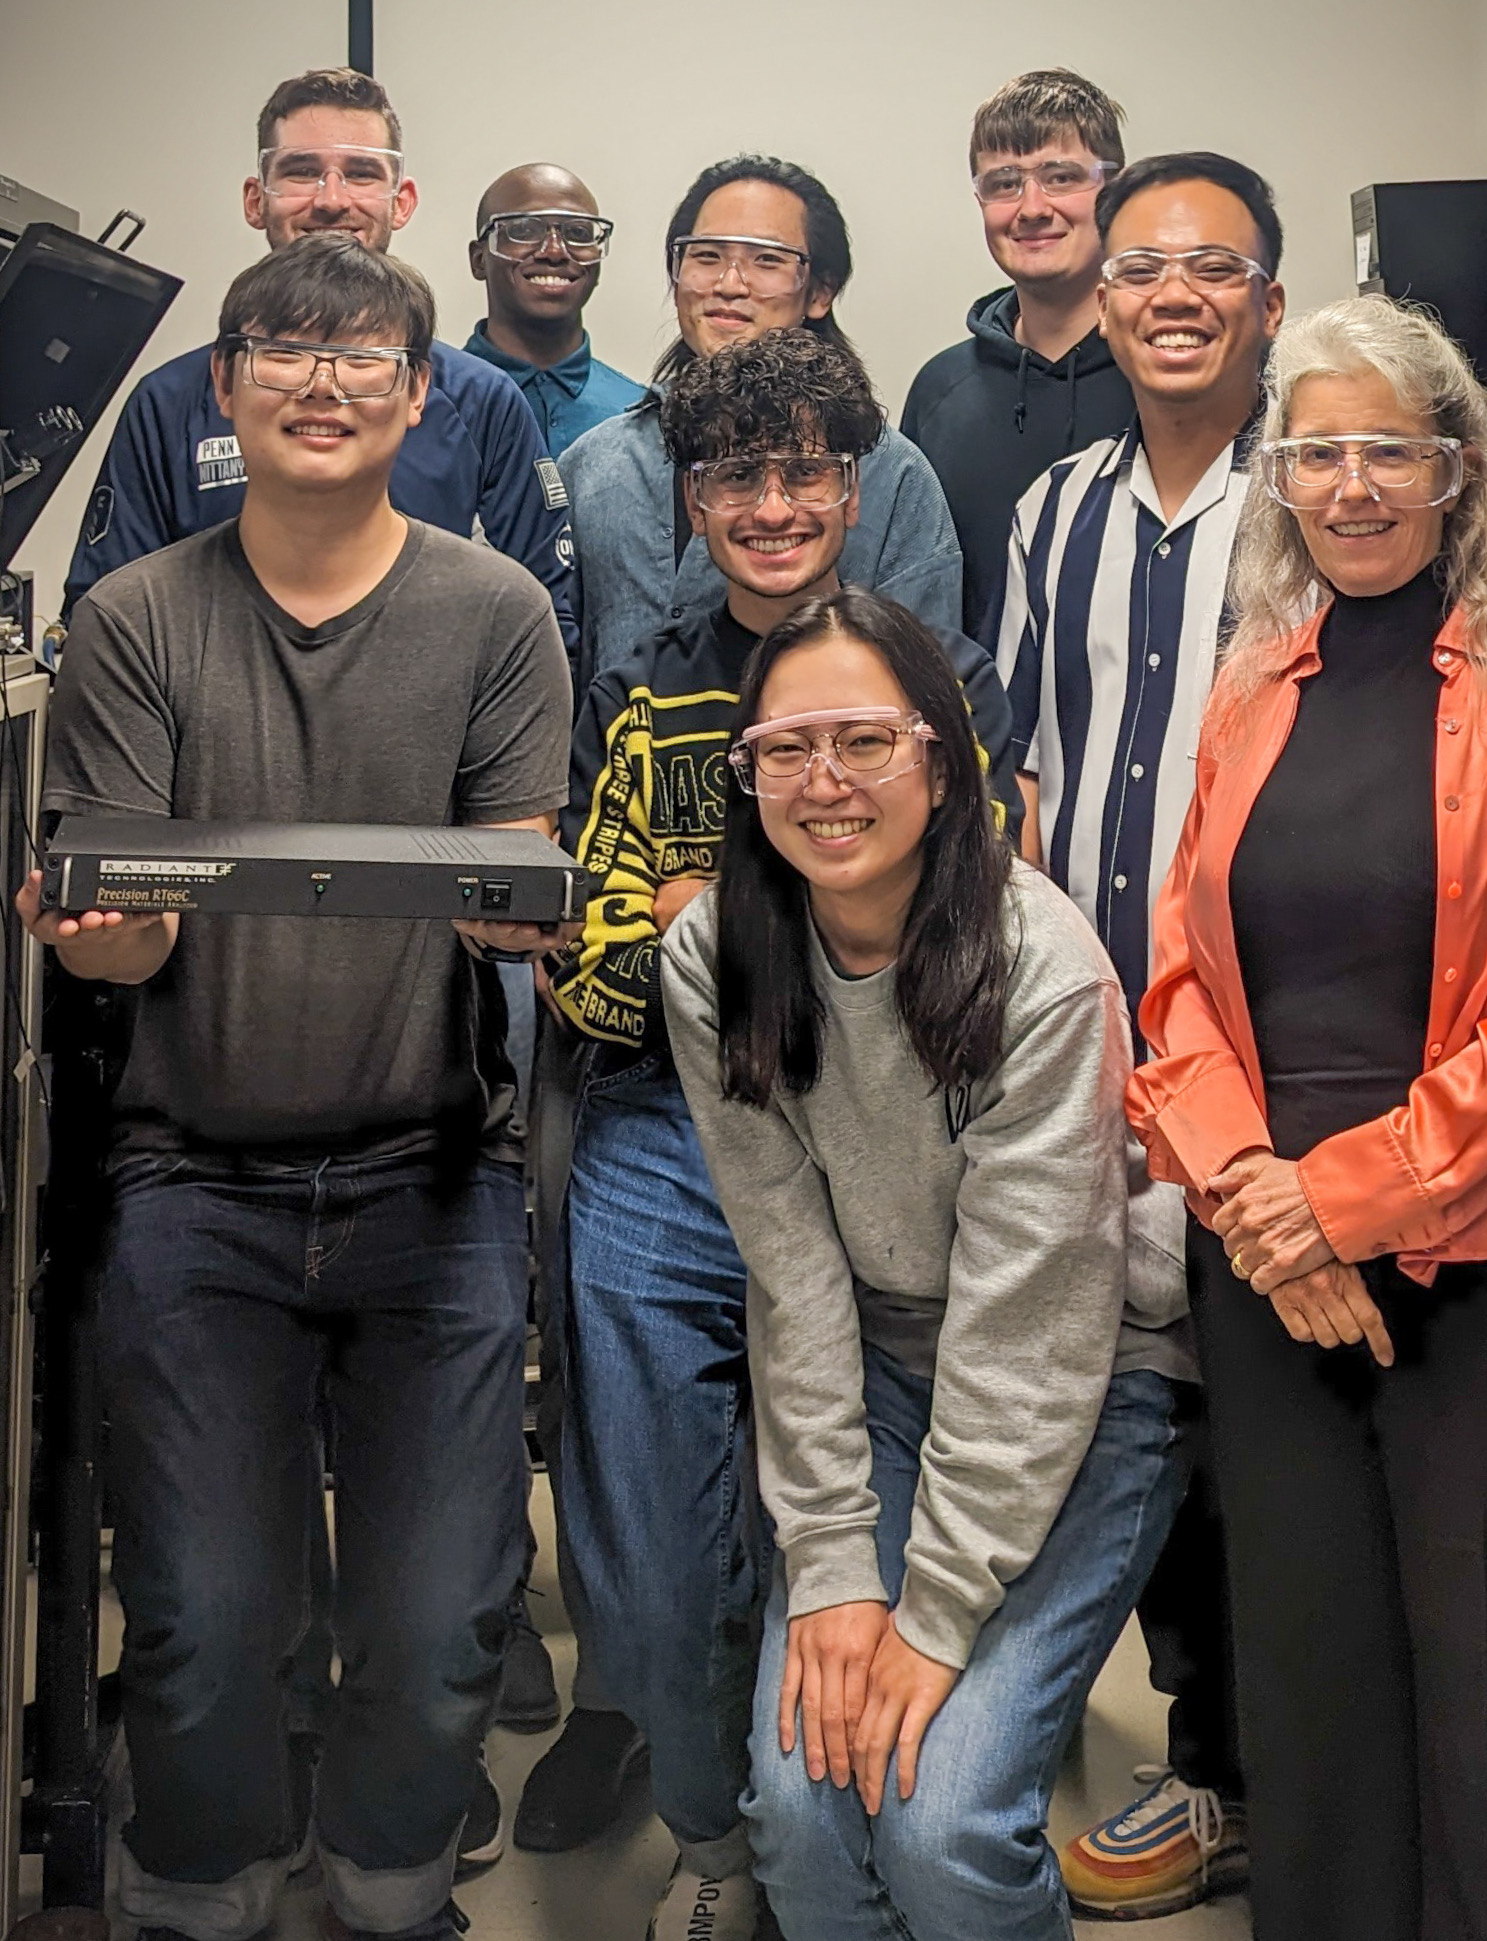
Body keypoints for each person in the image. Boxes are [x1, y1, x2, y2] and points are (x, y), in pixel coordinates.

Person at [20, 233, 573, 1941]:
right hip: (197, 1180)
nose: (321, 381)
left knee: (433, 1622)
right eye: (283, 348)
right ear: (222, 387)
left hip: (433, 1178)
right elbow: (113, 933)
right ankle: (199, 1889)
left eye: (361, 358)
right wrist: (100, 938)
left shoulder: (497, 612)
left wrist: (516, 911)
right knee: (198, 1615)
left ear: (422, 397)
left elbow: (515, 886)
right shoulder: (131, 620)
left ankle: (393, 1885)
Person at [1128, 294, 1487, 1940]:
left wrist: (1342, 1203)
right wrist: (1253, 1202)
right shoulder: (1246, 689)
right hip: (1269, 1260)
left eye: (1386, 451)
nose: (1350, 485)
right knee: (1316, 1711)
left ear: (1456, 469)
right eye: (1317, 452)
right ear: (1280, 475)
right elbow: (1179, 988)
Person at [548, 330, 1021, 1941]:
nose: (771, 504)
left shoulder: (932, 684)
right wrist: (781, 914)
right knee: (650, 1546)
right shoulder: (644, 689)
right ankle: (716, 1840)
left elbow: (970, 934)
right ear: (690, 500)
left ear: (854, 486)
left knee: (852, 1516)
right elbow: (597, 977)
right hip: (666, 1139)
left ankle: (862, 1800)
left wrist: (722, 905)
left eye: (803, 470)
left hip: (887, 1135)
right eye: (735, 475)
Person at [657, 587, 1193, 1941]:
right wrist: (836, 1567)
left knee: (942, 1816)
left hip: (1085, 1377)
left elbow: (1034, 1330)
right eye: (784, 750)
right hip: (884, 1372)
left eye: (863, 742)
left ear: (940, 763)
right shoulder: (715, 956)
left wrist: (936, 1610)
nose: (823, 784)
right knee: (798, 1800)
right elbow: (790, 1272)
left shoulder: (1043, 970)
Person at [995, 149, 1285, 1920]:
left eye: (1211, 266)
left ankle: (1254, 1766)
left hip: (1267, 1046)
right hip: (1088, 1037)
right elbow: (1023, 773)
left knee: (1267, 1422)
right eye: (1143, 268)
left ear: (1263, 295)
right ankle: (1198, 1755)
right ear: (1101, 301)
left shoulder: (1314, 500)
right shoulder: (1057, 511)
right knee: (1132, 1405)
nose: (1172, 294)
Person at [64, 67, 576, 665]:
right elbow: (108, 626)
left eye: (361, 174)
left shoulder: (481, 401)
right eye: (302, 172)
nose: (332, 200)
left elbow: (547, 628)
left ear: (400, 201)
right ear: (257, 200)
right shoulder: (169, 402)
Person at [560, 155, 960, 686]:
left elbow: (930, 690)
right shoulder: (594, 463)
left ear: (820, 291)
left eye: (767, 261)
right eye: (705, 256)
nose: (729, 284)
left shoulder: (893, 472)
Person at [901, 69, 1137, 644]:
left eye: (1061, 177)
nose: (1032, 207)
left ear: (1117, 190)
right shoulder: (941, 391)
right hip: (982, 727)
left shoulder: (1169, 375)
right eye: (1004, 183)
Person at [462, 163, 647, 456]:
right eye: (523, 230)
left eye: (578, 232)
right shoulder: (429, 400)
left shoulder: (640, 416)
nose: (554, 251)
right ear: (478, 259)